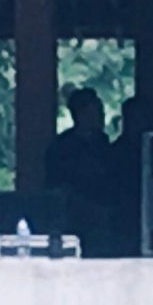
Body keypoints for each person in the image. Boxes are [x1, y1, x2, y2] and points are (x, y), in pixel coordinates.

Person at [50, 88, 118, 256]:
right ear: (79, 114)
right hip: (74, 217)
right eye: (95, 111)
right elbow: (57, 185)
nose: (100, 116)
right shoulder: (62, 147)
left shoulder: (102, 143)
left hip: (105, 215)